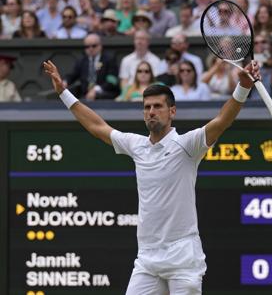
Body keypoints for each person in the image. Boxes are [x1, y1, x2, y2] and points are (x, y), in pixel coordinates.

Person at [43, 57, 260, 295]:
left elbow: (222, 121)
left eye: (157, 106)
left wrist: (243, 87)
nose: (151, 112)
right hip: (147, 258)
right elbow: (97, 127)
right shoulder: (136, 146)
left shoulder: (188, 145)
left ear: (172, 111)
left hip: (183, 258)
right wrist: (63, 92)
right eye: (147, 107)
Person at [65, 33, 120, 100]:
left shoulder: (109, 59)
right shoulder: (82, 61)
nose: (90, 49)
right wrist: (65, 82)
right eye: (87, 46)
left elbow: (112, 81)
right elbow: (72, 75)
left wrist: (96, 90)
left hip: (105, 95)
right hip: (85, 96)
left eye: (94, 46)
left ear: (100, 46)